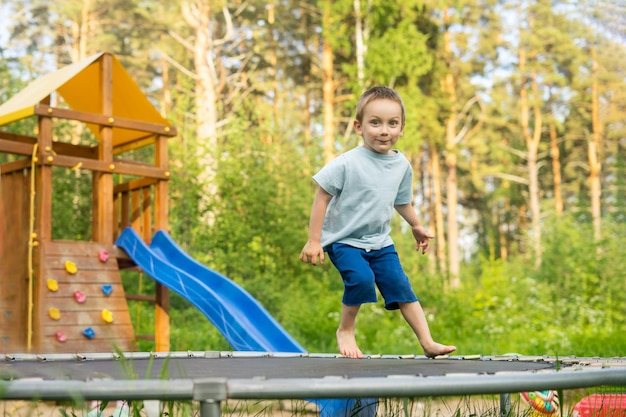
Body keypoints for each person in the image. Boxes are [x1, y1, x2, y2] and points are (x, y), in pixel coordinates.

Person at [299, 86, 456, 359]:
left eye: (392, 123)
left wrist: (416, 225)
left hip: (380, 242)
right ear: (359, 127)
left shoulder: (401, 165)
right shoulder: (346, 163)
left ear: (401, 128)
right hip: (344, 239)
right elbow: (322, 197)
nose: (384, 130)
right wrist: (314, 240)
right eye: (375, 123)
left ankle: (428, 342)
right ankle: (345, 330)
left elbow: (402, 201)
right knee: (361, 279)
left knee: (400, 286)